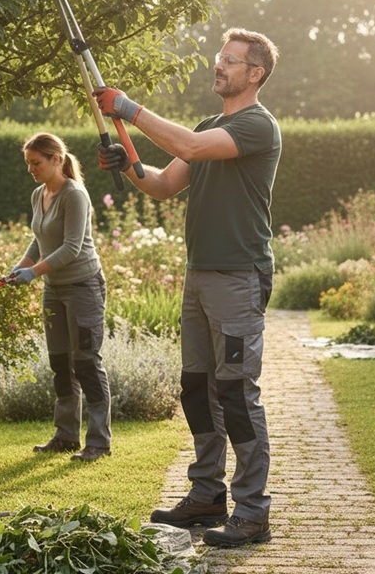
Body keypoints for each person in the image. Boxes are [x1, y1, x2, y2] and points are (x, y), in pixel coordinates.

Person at [92, 28, 281, 548]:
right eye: (219, 57)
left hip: (239, 277)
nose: (218, 65)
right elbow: (162, 184)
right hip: (200, 274)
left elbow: (191, 147)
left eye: (230, 60)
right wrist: (128, 163)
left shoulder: (257, 126)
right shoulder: (208, 124)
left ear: (255, 73)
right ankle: (205, 496)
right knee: (197, 389)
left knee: (237, 394)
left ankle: (253, 512)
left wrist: (129, 109)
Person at [5, 132, 113, 463]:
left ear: (56, 159)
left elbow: (72, 247)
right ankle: (66, 435)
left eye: (36, 163)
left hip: (83, 287)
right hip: (54, 290)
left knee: (86, 363)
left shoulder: (74, 195)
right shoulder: (39, 195)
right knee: (60, 364)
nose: (30, 170)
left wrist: (33, 273)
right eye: (27, 164)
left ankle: (98, 442)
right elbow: (39, 241)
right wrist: (17, 269)